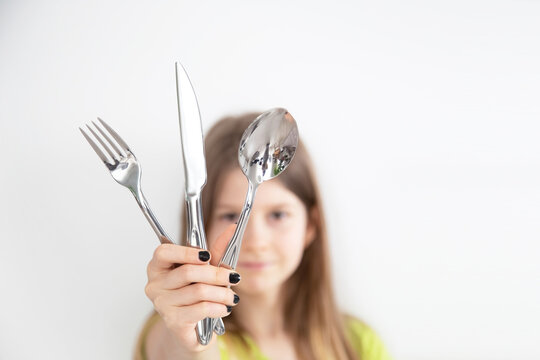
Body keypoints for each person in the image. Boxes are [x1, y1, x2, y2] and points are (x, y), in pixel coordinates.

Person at [135, 112, 392, 360]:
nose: (256, 242)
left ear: (311, 226)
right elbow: (180, 351)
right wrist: (192, 346)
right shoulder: (168, 333)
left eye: (278, 215)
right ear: (200, 225)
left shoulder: (358, 343)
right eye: (229, 216)